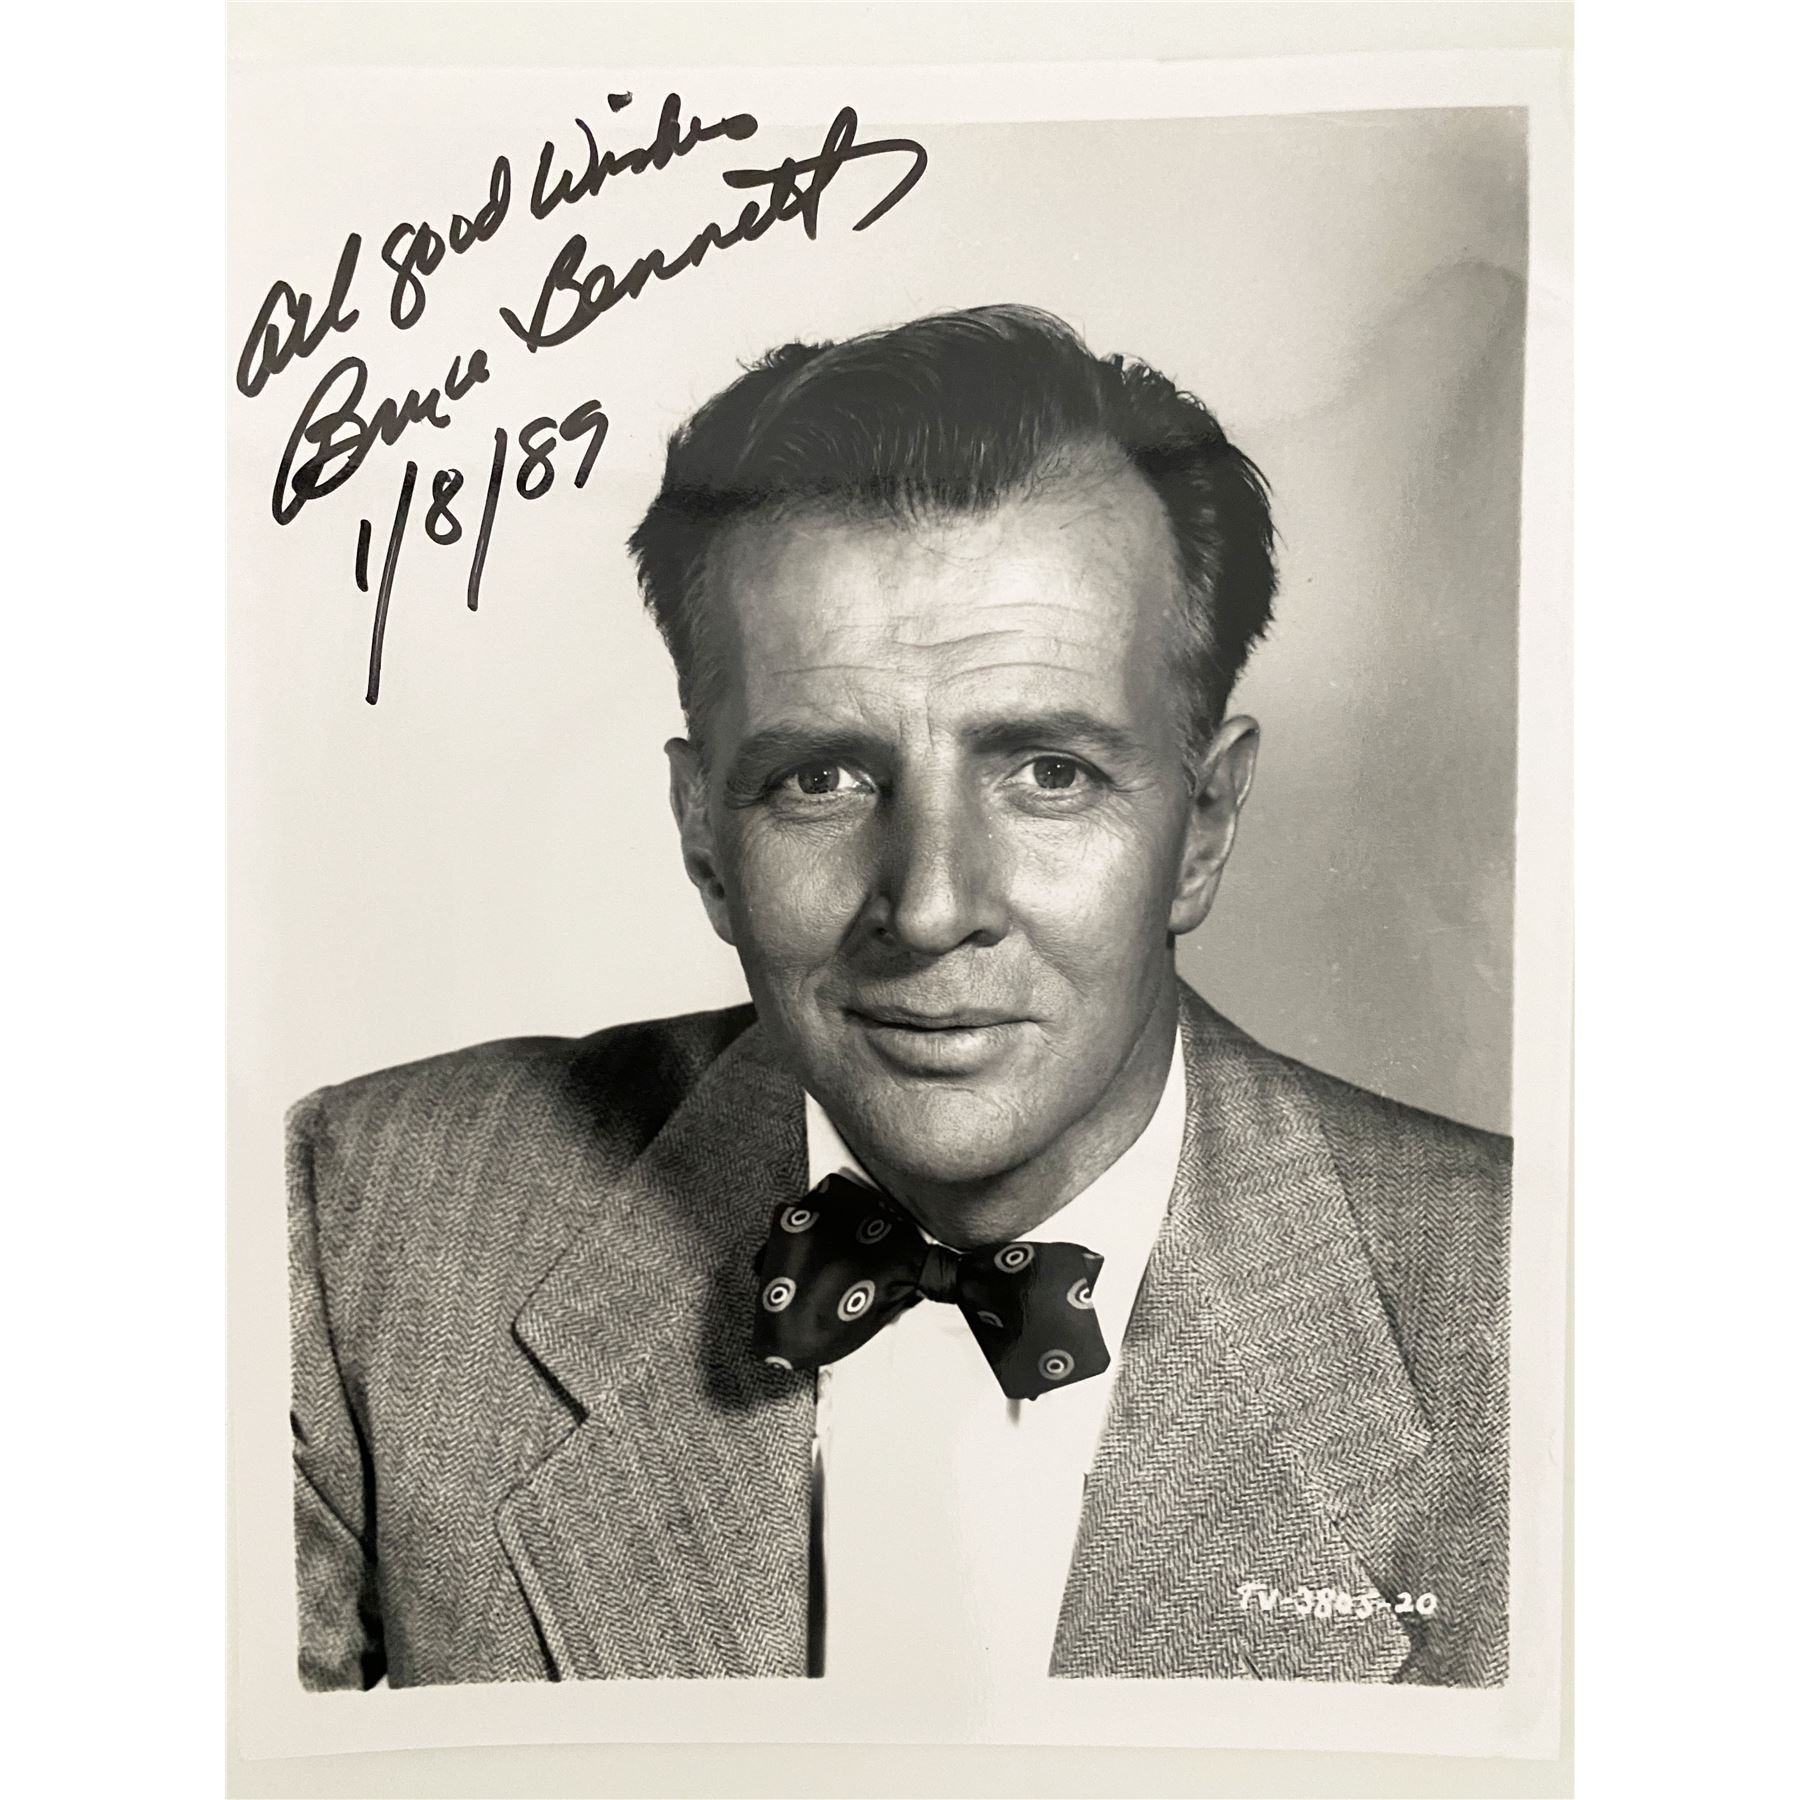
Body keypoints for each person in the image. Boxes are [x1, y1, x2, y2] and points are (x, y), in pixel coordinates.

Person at [288, 304, 1509, 1695]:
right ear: (703, 837)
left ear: (1206, 827)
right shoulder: (360, 1229)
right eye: (821, 779)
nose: (929, 907)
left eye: (1048, 773)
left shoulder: (1545, 1319)